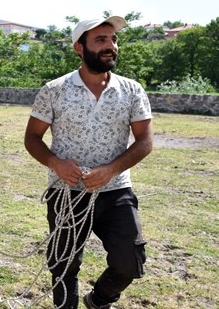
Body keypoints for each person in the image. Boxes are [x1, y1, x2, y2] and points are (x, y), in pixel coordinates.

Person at [24, 16, 153, 309]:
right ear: (79, 48)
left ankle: (99, 299)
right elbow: (32, 138)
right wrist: (56, 163)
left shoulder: (132, 90)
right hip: (66, 193)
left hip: (116, 190)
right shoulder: (54, 90)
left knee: (129, 262)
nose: (111, 46)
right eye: (101, 40)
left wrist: (111, 170)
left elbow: (145, 141)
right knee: (63, 265)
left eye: (113, 40)